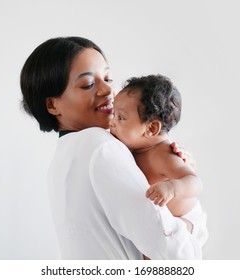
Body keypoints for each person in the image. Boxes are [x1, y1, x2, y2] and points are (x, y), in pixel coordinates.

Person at [20, 36, 204, 259]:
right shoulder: (100, 146)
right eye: (88, 84)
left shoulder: (63, 159)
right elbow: (177, 254)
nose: (107, 90)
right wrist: (194, 224)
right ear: (52, 105)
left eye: (108, 77)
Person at [109, 75, 209, 252]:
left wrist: (172, 188)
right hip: (168, 221)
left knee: (156, 252)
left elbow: (195, 182)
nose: (112, 122)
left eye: (121, 118)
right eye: (114, 114)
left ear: (151, 128)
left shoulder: (164, 154)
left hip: (188, 221)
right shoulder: (133, 145)